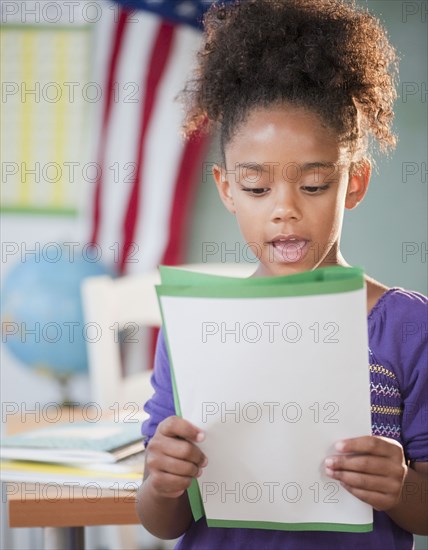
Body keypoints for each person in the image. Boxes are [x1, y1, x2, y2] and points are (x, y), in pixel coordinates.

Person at [136, 1, 428, 548]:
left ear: (355, 182)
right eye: (256, 187)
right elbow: (161, 520)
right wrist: (163, 480)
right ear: (227, 188)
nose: (284, 210)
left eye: (314, 185)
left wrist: (402, 486)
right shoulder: (195, 327)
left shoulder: (407, 327)